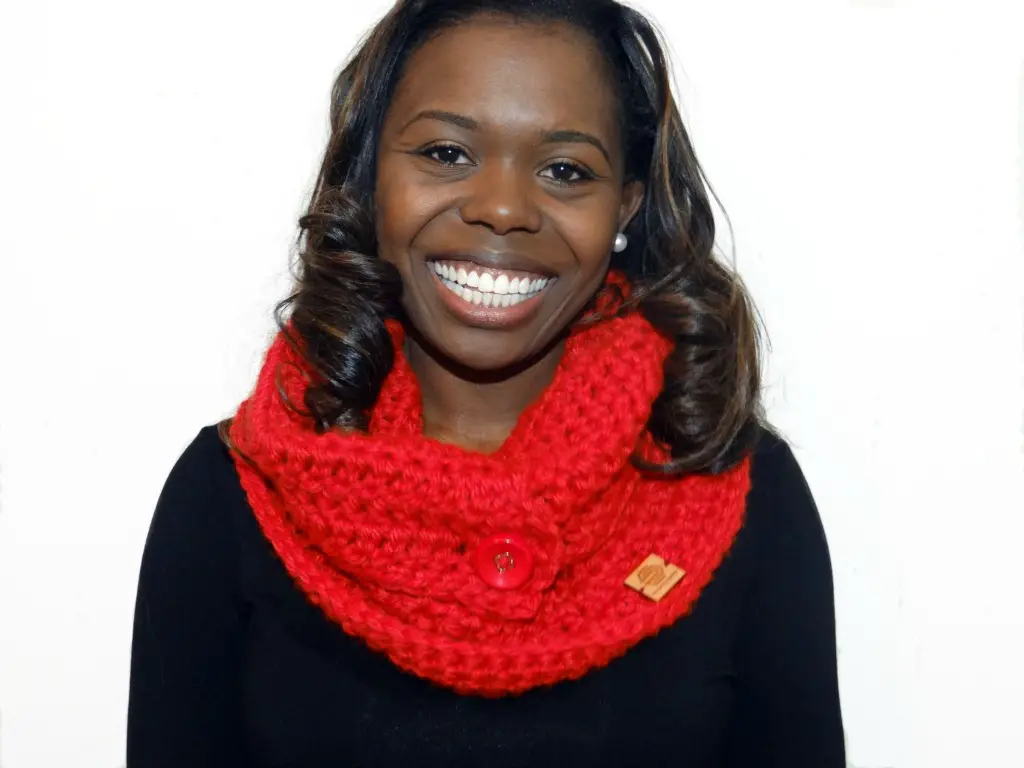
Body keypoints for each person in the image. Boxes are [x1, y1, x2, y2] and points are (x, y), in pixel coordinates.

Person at [127, 0, 845, 765]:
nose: (502, 208)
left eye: (564, 170)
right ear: (372, 180)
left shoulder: (739, 489)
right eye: (445, 153)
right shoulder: (230, 494)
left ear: (624, 207)